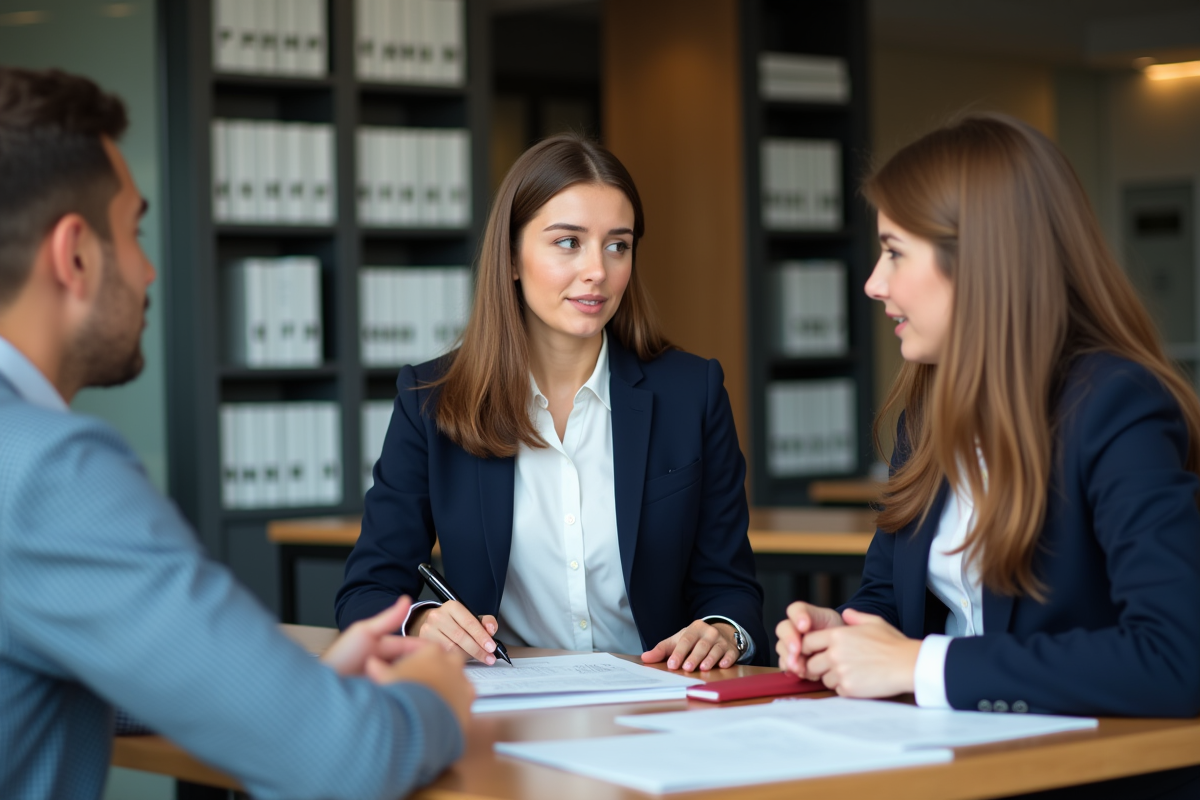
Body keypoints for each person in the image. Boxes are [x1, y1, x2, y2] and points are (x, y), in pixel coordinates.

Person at [0, 67, 474, 800]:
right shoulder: (47, 473)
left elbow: (78, 659)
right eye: (134, 231)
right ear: (75, 255)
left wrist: (285, 689)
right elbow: (347, 759)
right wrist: (433, 697)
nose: (150, 269)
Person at [775, 114, 1200, 797]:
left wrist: (919, 667)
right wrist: (844, 635)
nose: (874, 285)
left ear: (978, 259)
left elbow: (1176, 657)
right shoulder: (930, 405)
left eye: (894, 252)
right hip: (949, 766)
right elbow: (889, 596)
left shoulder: (1115, 405)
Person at [336, 133, 767, 671]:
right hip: (508, 706)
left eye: (618, 245)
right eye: (568, 242)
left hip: (658, 702)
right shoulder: (432, 404)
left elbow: (732, 590)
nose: (598, 271)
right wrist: (423, 621)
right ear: (512, 258)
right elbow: (367, 591)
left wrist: (725, 632)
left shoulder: (691, 393)